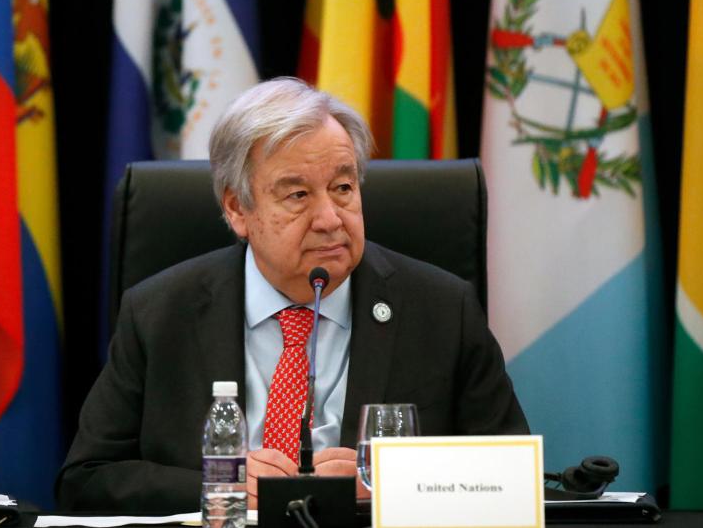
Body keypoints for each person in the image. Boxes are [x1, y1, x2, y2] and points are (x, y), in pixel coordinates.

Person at [56, 77, 528, 514]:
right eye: (297, 195)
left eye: (343, 187)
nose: (330, 218)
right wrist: (221, 486)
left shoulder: (443, 310)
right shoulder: (159, 313)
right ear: (238, 208)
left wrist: (398, 485)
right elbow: (86, 479)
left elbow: (515, 479)